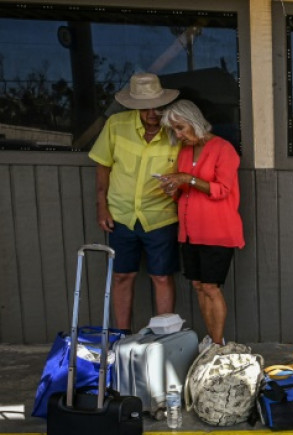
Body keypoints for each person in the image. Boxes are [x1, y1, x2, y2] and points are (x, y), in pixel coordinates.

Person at [89, 72, 181, 331]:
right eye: (145, 106)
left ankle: (164, 340)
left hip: (161, 215)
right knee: (122, 275)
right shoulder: (116, 125)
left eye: (158, 106)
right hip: (121, 214)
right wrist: (101, 206)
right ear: (134, 105)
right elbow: (102, 167)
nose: (153, 112)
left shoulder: (176, 130)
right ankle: (122, 336)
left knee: (162, 277)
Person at [157, 100, 244, 349]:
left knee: (210, 286)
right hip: (189, 232)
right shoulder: (185, 151)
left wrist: (187, 178)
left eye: (181, 128)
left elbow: (222, 189)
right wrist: (173, 185)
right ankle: (212, 341)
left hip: (217, 231)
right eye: (174, 130)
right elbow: (186, 189)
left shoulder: (223, 149)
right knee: (197, 285)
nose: (178, 134)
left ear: (195, 122)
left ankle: (218, 344)